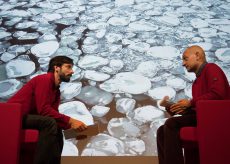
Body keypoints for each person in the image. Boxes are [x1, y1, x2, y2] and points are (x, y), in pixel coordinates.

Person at [156, 45, 229, 164]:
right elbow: (200, 107)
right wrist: (178, 109)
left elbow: (218, 94)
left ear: (198, 55)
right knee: (161, 131)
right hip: (203, 118)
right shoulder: (196, 82)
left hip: (216, 119)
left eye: (185, 58)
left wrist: (190, 103)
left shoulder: (211, 68)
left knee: (171, 124)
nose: (183, 63)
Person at [7, 56, 87, 164]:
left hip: (27, 118)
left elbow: (52, 114)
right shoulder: (44, 79)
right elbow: (44, 111)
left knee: (56, 127)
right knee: (49, 123)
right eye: (68, 67)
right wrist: (71, 121)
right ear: (56, 68)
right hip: (13, 117)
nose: (72, 71)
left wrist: (73, 129)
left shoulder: (56, 91)